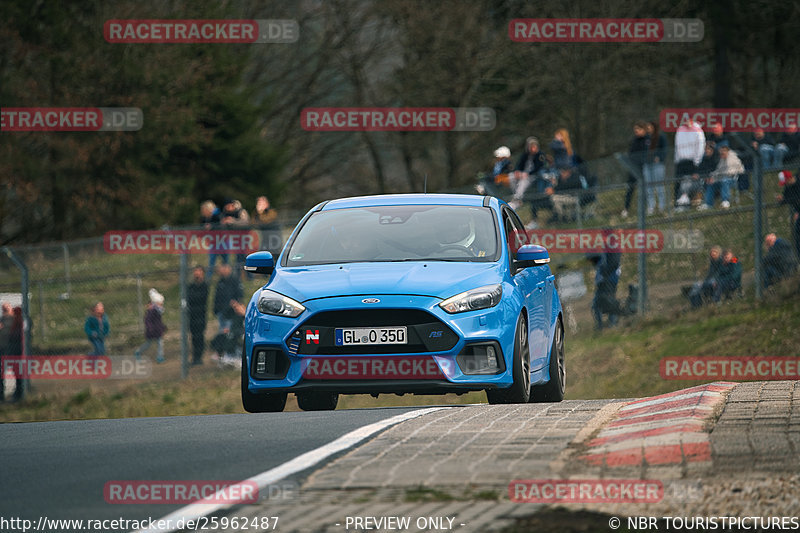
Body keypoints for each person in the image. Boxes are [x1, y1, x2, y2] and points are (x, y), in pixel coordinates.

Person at [589, 243, 624, 330]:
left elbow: (614, 263)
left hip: (608, 281)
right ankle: (607, 325)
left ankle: (611, 324)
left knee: (605, 302)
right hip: (604, 280)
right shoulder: (606, 248)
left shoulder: (613, 248)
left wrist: (605, 275)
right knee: (598, 304)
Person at [701, 142, 743, 210]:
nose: (722, 152)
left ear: (727, 151)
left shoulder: (733, 158)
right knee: (711, 184)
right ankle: (708, 204)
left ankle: (726, 201)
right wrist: (712, 177)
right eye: (721, 151)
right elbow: (718, 171)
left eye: (723, 150)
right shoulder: (722, 159)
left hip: (732, 179)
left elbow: (740, 169)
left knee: (724, 181)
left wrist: (723, 174)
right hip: (721, 178)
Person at [510, 137, 547, 212]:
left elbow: (539, 168)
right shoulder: (525, 155)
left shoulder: (540, 155)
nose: (532, 149)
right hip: (524, 173)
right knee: (511, 177)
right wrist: (517, 171)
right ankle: (515, 195)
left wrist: (527, 174)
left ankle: (517, 198)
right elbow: (519, 164)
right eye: (531, 147)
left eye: (534, 147)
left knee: (523, 181)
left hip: (534, 176)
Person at [674, 119, 705, 209]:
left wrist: (697, 161)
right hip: (681, 161)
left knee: (690, 183)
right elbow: (677, 145)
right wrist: (677, 159)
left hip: (692, 161)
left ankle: (689, 203)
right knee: (679, 182)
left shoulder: (697, 130)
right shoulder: (680, 130)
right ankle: (678, 203)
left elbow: (700, 147)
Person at [623, 121, 650, 218]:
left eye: (638, 129)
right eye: (635, 130)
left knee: (645, 188)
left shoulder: (648, 139)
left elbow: (647, 153)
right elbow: (631, 153)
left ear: (643, 129)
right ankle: (626, 209)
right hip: (633, 168)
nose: (636, 132)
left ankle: (647, 208)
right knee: (630, 189)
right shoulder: (634, 140)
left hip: (643, 168)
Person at [135, 289, 167, 363]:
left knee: (160, 344)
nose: (161, 304)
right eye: (160, 303)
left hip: (158, 330)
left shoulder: (158, 311)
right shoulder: (152, 311)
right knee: (148, 344)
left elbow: (158, 321)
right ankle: (138, 352)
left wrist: (162, 327)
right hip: (152, 331)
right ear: (156, 303)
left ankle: (160, 357)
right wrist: (150, 328)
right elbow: (147, 320)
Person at [0, 303, 24, 402]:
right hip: (2, 351)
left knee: (17, 372)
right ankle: (1, 395)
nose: (5, 310)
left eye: (7, 308)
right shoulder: (2, 320)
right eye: (3, 309)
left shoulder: (16, 321)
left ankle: (19, 393)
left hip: (13, 351)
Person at [221, 199, 251, 275]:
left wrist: (233, 221)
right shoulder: (226, 214)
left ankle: (248, 274)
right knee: (239, 256)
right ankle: (240, 274)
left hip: (244, 237)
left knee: (243, 256)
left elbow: (246, 222)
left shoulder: (241, 212)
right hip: (235, 238)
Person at [644, 121, 668, 215]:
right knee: (648, 186)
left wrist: (660, 157)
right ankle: (651, 206)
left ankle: (662, 206)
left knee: (659, 186)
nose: (648, 128)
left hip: (658, 165)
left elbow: (665, 149)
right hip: (647, 164)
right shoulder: (646, 138)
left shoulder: (661, 137)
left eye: (649, 126)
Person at [187, 266, 209, 366]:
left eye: (199, 272)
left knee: (200, 336)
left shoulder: (204, 285)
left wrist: (194, 297)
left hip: (200, 315)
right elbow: (189, 298)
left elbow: (201, 298)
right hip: (192, 315)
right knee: (194, 337)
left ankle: (199, 357)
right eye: (195, 272)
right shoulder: (191, 286)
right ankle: (194, 357)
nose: (197, 274)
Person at [213, 263, 243, 335]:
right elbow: (216, 297)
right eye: (222, 268)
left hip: (231, 313)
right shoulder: (220, 282)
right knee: (222, 333)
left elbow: (239, 295)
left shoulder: (235, 281)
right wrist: (215, 309)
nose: (223, 270)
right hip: (221, 312)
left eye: (225, 268)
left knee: (230, 333)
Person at [776, 170, 800, 260]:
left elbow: (793, 199)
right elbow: (786, 198)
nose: (785, 185)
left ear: (790, 178)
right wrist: (781, 199)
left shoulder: (798, 182)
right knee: (797, 236)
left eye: (786, 182)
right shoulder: (788, 187)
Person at [201, 200, 225, 278]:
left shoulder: (217, 215)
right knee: (212, 259)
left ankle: (226, 275)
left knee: (225, 260)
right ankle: (209, 276)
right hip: (213, 242)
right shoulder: (206, 218)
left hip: (222, 241)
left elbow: (220, 227)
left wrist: (212, 227)